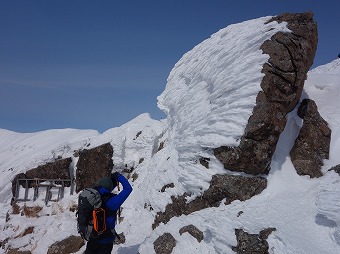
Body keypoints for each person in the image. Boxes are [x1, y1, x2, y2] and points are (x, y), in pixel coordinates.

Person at [85, 172, 132, 254]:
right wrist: (118, 176)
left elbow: (106, 189)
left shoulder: (92, 198)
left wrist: (112, 182)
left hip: (92, 238)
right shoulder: (112, 202)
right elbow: (128, 189)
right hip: (105, 241)